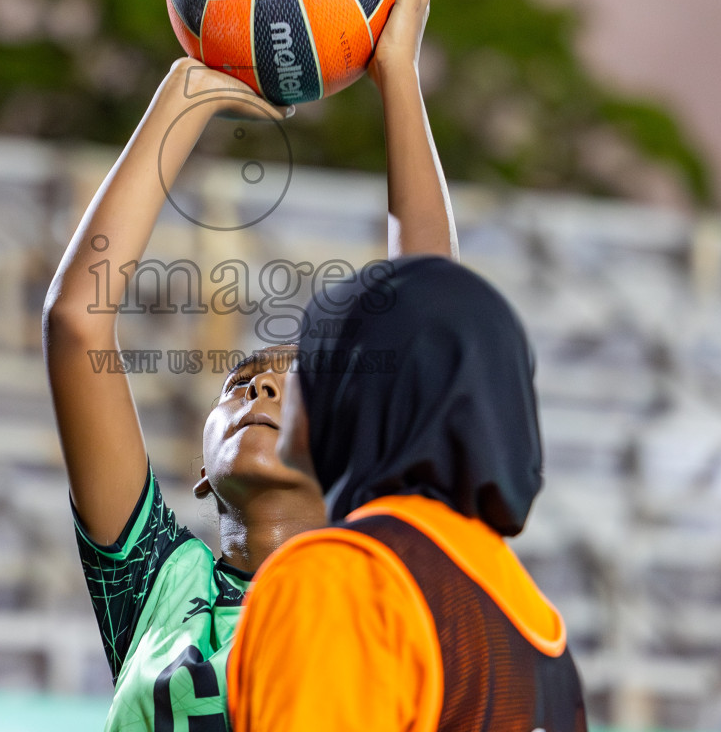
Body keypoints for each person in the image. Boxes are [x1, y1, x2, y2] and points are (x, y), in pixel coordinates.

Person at [42, 0, 456, 730]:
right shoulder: (157, 583)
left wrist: (397, 71)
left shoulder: (384, 575)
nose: (259, 386)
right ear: (199, 472)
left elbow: (433, 314)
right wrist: (179, 99)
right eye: (238, 383)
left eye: (293, 383)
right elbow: (76, 322)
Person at [227, 255, 588, 732]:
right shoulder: (543, 632)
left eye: (312, 357)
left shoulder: (343, 579)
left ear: (357, 388)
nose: (281, 384)